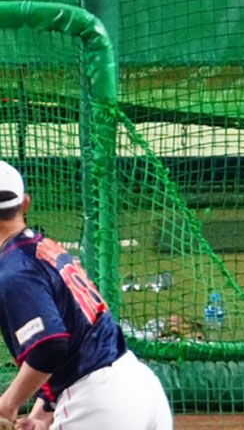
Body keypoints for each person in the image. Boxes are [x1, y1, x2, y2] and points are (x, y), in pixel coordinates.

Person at [0, 161, 172, 430]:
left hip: (99, 401)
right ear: (25, 204)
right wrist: (42, 413)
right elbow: (76, 332)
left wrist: (7, 404)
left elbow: (50, 346)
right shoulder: (45, 248)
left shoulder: (15, 271)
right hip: (139, 385)